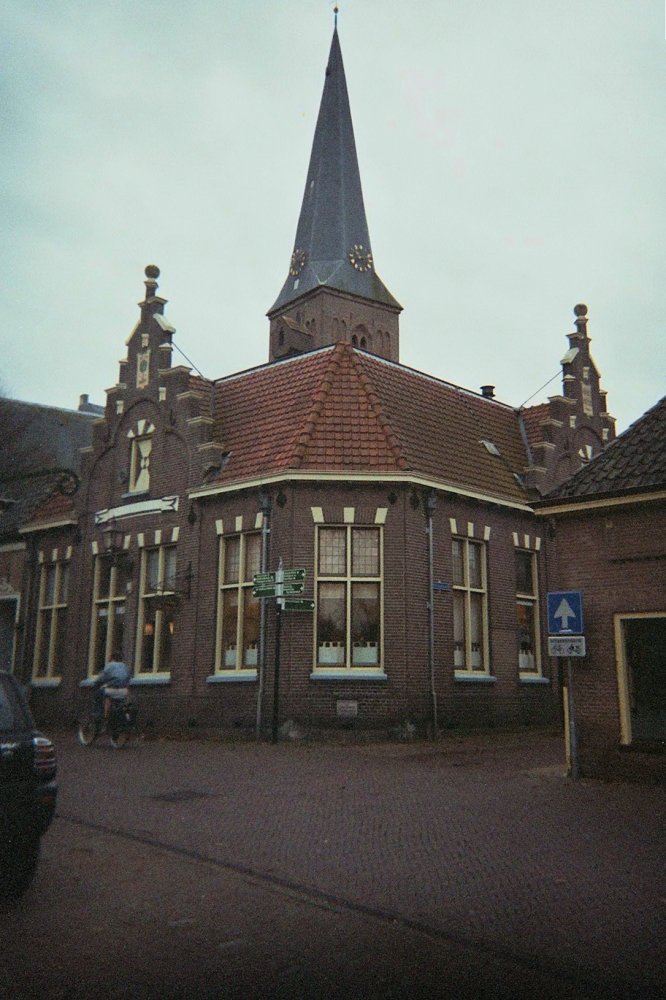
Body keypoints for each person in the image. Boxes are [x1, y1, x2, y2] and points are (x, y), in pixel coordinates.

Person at [92, 654, 131, 721]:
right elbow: (128, 678)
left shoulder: (110, 666)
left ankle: (100, 716)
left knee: (98, 694)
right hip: (124, 691)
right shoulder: (124, 666)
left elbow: (100, 679)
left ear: (112, 659)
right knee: (123, 701)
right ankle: (126, 716)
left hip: (111, 691)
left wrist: (96, 684)